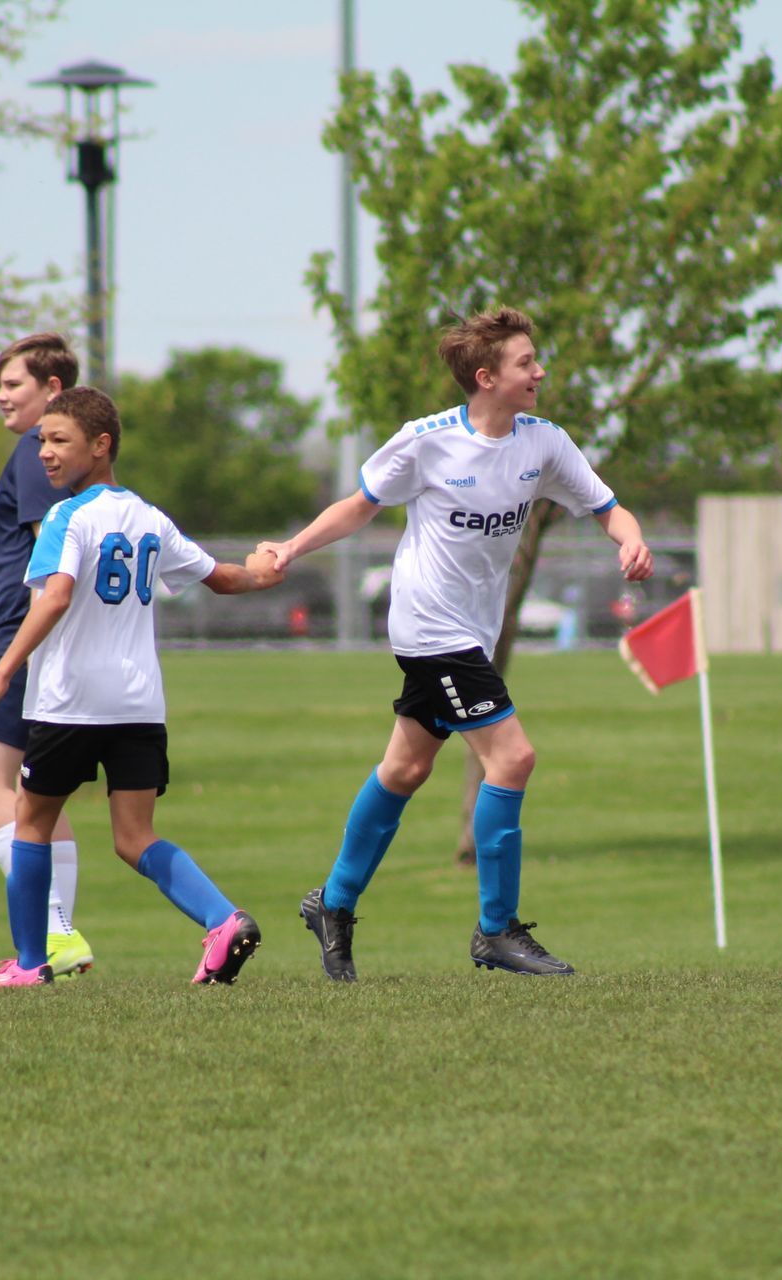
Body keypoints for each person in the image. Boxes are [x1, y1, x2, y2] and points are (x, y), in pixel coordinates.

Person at [257, 306, 653, 981]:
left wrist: (632, 538)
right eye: (526, 363)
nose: (540, 372)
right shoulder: (427, 440)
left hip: (472, 629)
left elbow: (607, 506)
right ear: (485, 377)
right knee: (514, 757)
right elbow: (361, 502)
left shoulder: (544, 443)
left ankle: (334, 902)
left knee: (406, 769)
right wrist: (292, 548)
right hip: (428, 625)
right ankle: (496, 930)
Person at [0, 386, 285, 987]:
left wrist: (0, 675)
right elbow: (222, 577)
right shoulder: (149, 517)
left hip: (70, 702)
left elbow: (54, 596)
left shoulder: (66, 517)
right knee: (135, 836)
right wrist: (265, 571)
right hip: (139, 705)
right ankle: (223, 920)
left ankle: (30, 965)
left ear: (101, 445)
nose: (46, 455)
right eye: (42, 443)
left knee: (30, 822)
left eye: (60, 441)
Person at [0, 333, 95, 978]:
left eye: (14, 384)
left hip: (22, 637)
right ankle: (56, 939)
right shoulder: (61, 458)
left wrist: (15, 655)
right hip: (38, 640)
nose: (2, 396)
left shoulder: (37, 453)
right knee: (38, 800)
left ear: (52, 391)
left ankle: (53, 935)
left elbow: (53, 551)